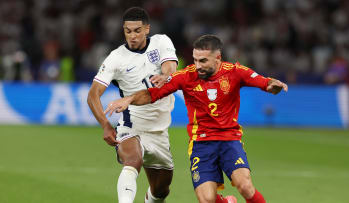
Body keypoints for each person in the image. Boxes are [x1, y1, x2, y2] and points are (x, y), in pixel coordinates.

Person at [104, 35, 288, 203]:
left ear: (218, 58)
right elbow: (154, 93)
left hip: (229, 140)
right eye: (195, 60)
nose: (198, 65)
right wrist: (129, 99)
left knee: (245, 186)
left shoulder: (235, 72)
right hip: (201, 143)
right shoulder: (186, 76)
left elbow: (264, 82)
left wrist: (274, 85)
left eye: (203, 61)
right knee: (206, 199)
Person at [87, 7, 178, 203]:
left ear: (147, 29)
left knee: (161, 190)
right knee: (133, 160)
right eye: (128, 31)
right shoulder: (116, 58)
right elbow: (93, 94)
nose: (133, 36)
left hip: (159, 130)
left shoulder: (161, 42)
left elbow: (170, 66)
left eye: (137, 30)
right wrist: (105, 125)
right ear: (123, 31)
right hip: (132, 123)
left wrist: (165, 75)